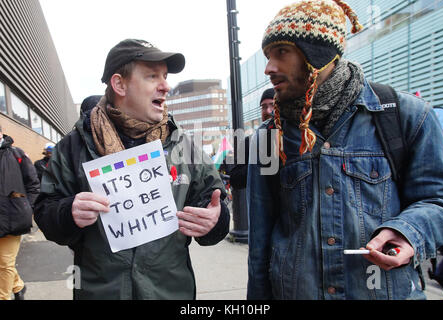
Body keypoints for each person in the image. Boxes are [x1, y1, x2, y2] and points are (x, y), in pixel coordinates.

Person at [247, 0, 443, 300]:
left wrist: (408, 231)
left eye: (281, 52)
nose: (269, 68)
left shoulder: (405, 115)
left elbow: (440, 201)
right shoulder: (267, 138)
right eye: (267, 55)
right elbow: (260, 248)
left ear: (318, 55)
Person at [33, 39, 230, 300]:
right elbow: (45, 212)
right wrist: (68, 212)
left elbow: (213, 206)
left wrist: (215, 221)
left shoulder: (183, 146)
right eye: (152, 76)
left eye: (165, 76)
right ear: (119, 84)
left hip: (169, 292)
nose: (165, 86)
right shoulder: (74, 146)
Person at [0, 125, 40, 300]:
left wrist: (26, 207)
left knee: (4, 263)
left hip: (12, 217)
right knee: (3, 263)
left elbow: (33, 184)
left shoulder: (16, 154)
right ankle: (18, 286)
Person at [229, 88, 275, 189]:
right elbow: (235, 179)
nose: (268, 110)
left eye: (273, 105)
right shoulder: (249, 142)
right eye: (264, 107)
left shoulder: (291, 137)